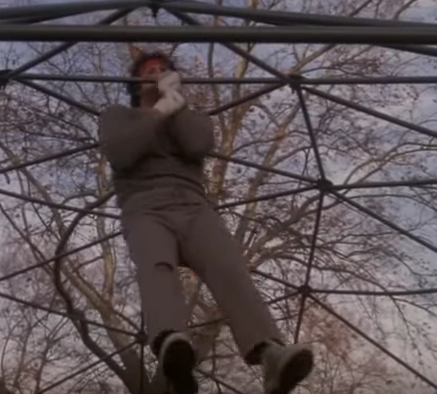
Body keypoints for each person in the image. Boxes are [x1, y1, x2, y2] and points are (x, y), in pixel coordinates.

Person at [96, 47, 315, 394]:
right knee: (157, 266)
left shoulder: (191, 118)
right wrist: (157, 112)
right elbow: (122, 153)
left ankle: (270, 352)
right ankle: (172, 344)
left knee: (229, 268)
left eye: (164, 70)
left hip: (194, 205)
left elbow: (198, 144)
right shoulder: (118, 116)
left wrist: (175, 104)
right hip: (144, 206)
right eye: (149, 70)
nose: (156, 73)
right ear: (135, 83)